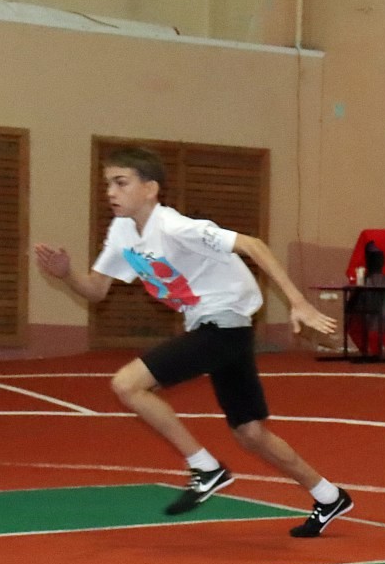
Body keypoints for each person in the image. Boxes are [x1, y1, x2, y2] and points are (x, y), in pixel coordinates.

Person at [34, 146, 353, 538]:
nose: (111, 192)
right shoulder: (122, 232)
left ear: (150, 188)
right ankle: (328, 496)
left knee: (127, 384)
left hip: (225, 323)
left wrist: (298, 302)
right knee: (250, 433)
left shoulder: (174, 227)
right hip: (216, 326)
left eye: (121, 183)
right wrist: (67, 274)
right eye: (108, 185)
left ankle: (205, 467)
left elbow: (253, 244)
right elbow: (97, 290)